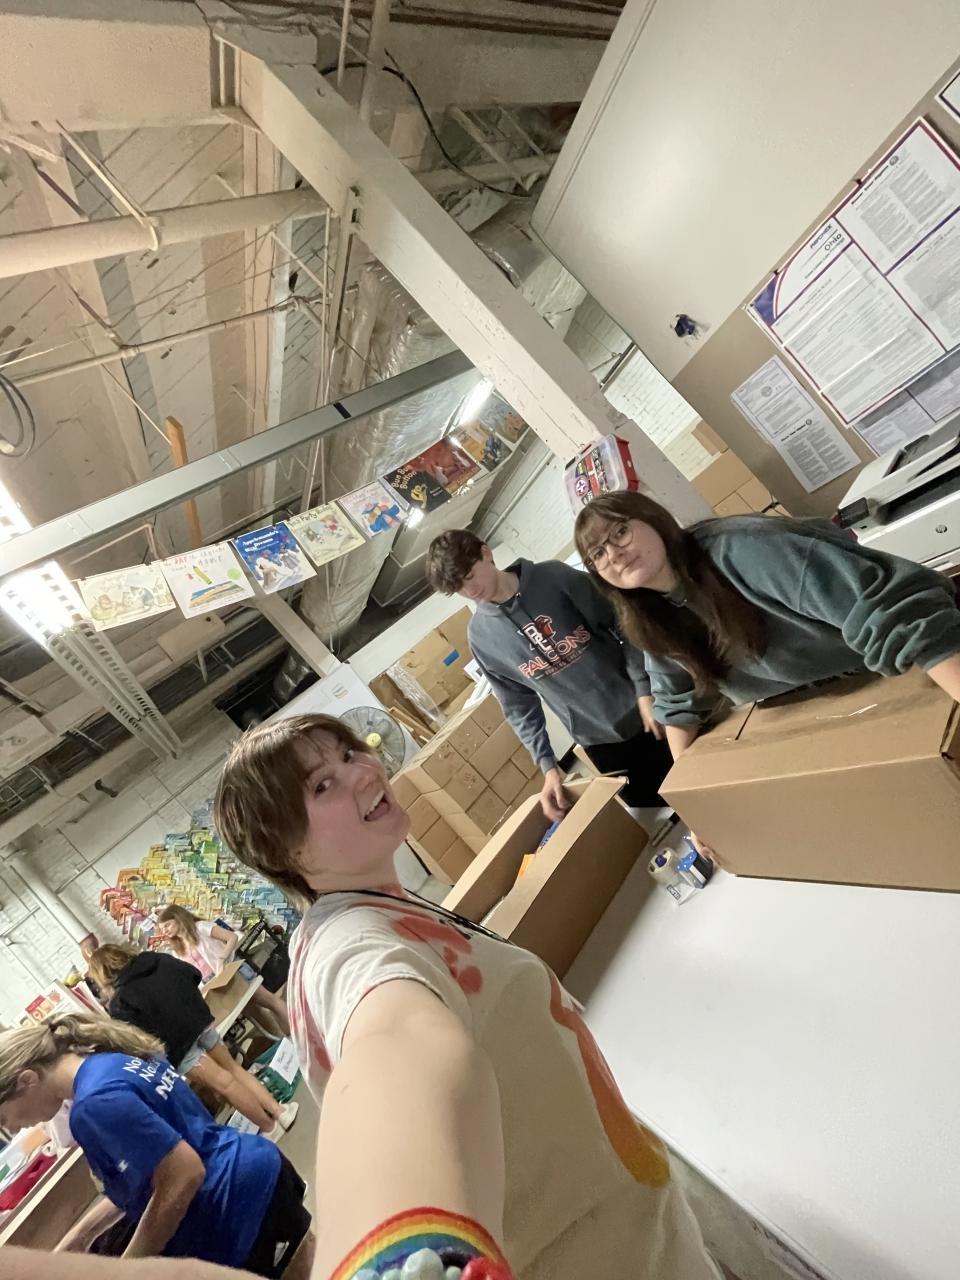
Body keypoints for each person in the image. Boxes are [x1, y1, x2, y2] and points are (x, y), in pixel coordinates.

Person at [212, 712, 720, 1280]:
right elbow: (396, 1044)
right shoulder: (348, 948)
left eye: (350, 754)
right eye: (322, 785)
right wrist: (396, 1259)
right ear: (286, 852)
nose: (361, 773)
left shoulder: (374, 905)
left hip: (622, 1219)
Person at [573, 491, 960, 763]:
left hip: (917, 671)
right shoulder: (651, 618)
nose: (614, 554)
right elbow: (678, 702)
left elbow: (891, 612)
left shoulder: (741, 550)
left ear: (653, 519)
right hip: (837, 711)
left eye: (619, 532)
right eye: (598, 554)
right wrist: (696, 801)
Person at [0, 1016, 312, 1278]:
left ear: (27, 1079)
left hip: (235, 1205)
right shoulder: (111, 1061)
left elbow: (183, 1175)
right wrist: (82, 1235)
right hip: (254, 1172)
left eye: (3, 1118)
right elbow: (150, 1173)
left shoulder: (92, 1106)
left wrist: (127, 1268)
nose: (13, 1129)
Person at [424, 529, 672, 825]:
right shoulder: (481, 638)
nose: (470, 590)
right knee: (657, 818)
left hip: (649, 709)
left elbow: (625, 622)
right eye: (458, 588)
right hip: (599, 742)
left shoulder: (554, 578)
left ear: (486, 553)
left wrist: (645, 688)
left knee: (700, 786)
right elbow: (518, 707)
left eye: (469, 576)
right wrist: (548, 766)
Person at [88, 944, 295, 1138]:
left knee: (225, 1085)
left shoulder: (120, 1003)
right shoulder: (156, 959)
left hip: (178, 1049)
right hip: (200, 1022)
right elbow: (193, 974)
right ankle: (280, 1111)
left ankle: (270, 1127)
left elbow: (137, 1040)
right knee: (234, 1069)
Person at [155, 906, 291, 1038]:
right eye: (162, 929)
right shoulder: (178, 950)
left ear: (178, 918)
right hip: (218, 985)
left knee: (270, 1002)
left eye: (167, 925)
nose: (165, 931)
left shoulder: (200, 928)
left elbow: (231, 937)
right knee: (254, 1012)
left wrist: (222, 958)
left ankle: (293, 1032)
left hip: (233, 972)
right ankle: (281, 1037)